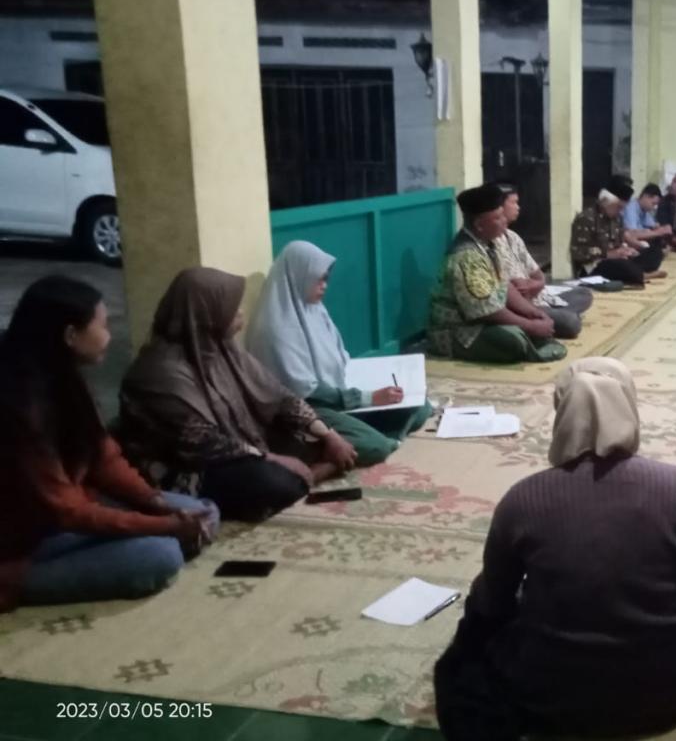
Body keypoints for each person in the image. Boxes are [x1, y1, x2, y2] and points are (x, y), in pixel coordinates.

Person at [434, 358, 676, 741]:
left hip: (549, 701)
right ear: (629, 406)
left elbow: (492, 606)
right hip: (668, 696)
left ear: (562, 411)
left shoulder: (522, 499)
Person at [0, 276, 219, 611]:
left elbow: (104, 458)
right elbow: (68, 511)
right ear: (70, 336)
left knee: (202, 510)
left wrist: (155, 502)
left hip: (68, 514)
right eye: (102, 326)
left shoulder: (64, 379)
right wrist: (164, 525)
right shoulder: (18, 407)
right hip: (26, 543)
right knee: (160, 554)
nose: (110, 335)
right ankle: (20, 583)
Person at [119, 268, 358, 522]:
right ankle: (309, 475)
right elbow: (202, 444)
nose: (241, 312)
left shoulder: (223, 349)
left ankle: (306, 472)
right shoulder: (159, 372)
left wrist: (328, 436)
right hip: (191, 466)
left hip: (246, 444)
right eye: (233, 307)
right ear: (207, 314)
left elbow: (281, 397)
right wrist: (273, 459)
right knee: (275, 483)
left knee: (339, 440)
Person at [246, 241, 433, 467]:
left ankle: (363, 433)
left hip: (337, 398)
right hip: (306, 411)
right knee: (376, 446)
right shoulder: (276, 329)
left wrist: (371, 390)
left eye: (326, 279)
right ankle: (324, 455)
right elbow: (305, 393)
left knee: (420, 406)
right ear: (298, 276)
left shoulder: (314, 310)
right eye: (319, 279)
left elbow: (341, 362)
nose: (324, 286)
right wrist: (367, 398)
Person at [429, 183, 567, 364]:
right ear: (479, 224)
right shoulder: (467, 257)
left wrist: (532, 312)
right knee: (514, 342)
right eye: (498, 217)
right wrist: (531, 326)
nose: (504, 221)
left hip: (486, 316)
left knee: (542, 324)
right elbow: (488, 311)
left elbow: (505, 285)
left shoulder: (489, 244)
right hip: (461, 328)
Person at [492, 184, 593, 340]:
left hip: (541, 296)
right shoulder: (489, 243)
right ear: (499, 207)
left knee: (584, 294)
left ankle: (558, 315)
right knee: (571, 323)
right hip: (523, 306)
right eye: (514, 203)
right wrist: (527, 292)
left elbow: (538, 274)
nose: (518, 207)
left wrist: (537, 284)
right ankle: (560, 317)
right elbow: (510, 289)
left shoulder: (513, 237)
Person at [570, 176, 667, 286]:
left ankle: (636, 272)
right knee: (622, 266)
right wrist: (608, 254)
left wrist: (626, 250)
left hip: (618, 260)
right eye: (619, 207)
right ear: (606, 202)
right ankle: (642, 274)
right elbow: (577, 253)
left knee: (655, 253)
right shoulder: (587, 218)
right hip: (596, 265)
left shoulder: (616, 219)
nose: (620, 211)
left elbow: (619, 242)